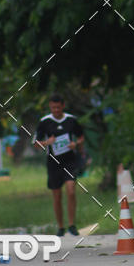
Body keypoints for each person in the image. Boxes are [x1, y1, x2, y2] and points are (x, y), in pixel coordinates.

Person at [35, 94, 85, 236]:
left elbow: (81, 137)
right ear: (50, 107)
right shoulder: (44, 122)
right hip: (53, 162)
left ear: (63, 106)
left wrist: (76, 144)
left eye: (58, 107)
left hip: (69, 161)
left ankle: (72, 225)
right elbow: (36, 144)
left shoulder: (71, 120)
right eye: (52, 108)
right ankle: (61, 227)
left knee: (71, 191)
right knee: (57, 196)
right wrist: (47, 143)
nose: (55, 110)